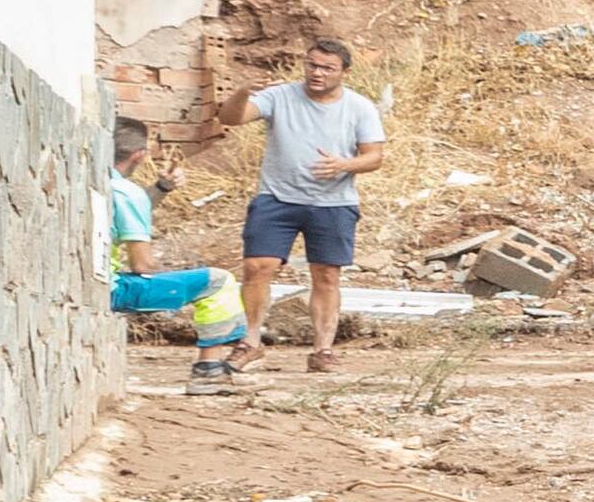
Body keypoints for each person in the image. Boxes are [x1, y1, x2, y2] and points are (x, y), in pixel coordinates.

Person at [233, 34, 387, 375]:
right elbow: (232, 118)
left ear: (344, 72)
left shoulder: (360, 107)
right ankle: (250, 341)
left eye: (327, 68)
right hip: (276, 196)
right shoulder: (279, 96)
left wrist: (343, 165)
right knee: (257, 266)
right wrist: (243, 91)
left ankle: (323, 351)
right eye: (312, 65)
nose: (317, 73)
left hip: (333, 202)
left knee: (327, 274)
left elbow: (374, 157)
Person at [102, 119, 249, 386]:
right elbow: (142, 265)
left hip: (86, 281)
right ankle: (209, 369)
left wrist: (161, 188)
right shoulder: (128, 193)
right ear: (139, 155)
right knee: (218, 281)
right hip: (110, 289)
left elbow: (124, 210)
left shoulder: (94, 180)